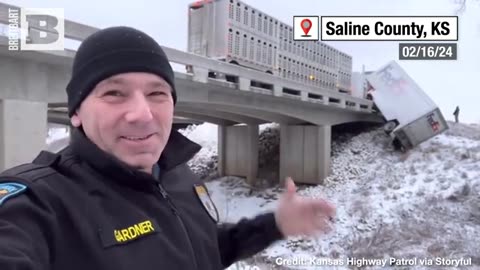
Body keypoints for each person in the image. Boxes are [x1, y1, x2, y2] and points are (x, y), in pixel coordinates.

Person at [0, 26, 335, 270]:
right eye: (114, 93)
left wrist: (275, 225)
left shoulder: (176, 174)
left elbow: (201, 248)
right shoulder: (40, 201)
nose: (142, 114)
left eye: (157, 94)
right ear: (75, 112)